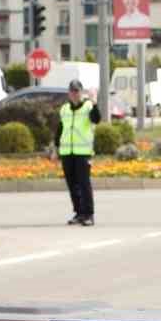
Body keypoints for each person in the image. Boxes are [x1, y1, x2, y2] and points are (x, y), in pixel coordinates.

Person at [51, 79, 101, 226]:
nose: (74, 94)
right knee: (72, 184)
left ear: (81, 92)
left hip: (83, 152)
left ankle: (88, 214)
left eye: (77, 91)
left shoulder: (88, 106)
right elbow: (60, 130)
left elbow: (97, 119)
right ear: (69, 93)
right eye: (72, 91)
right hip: (67, 152)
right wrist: (55, 149)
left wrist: (94, 101)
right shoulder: (65, 109)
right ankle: (79, 213)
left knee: (84, 184)